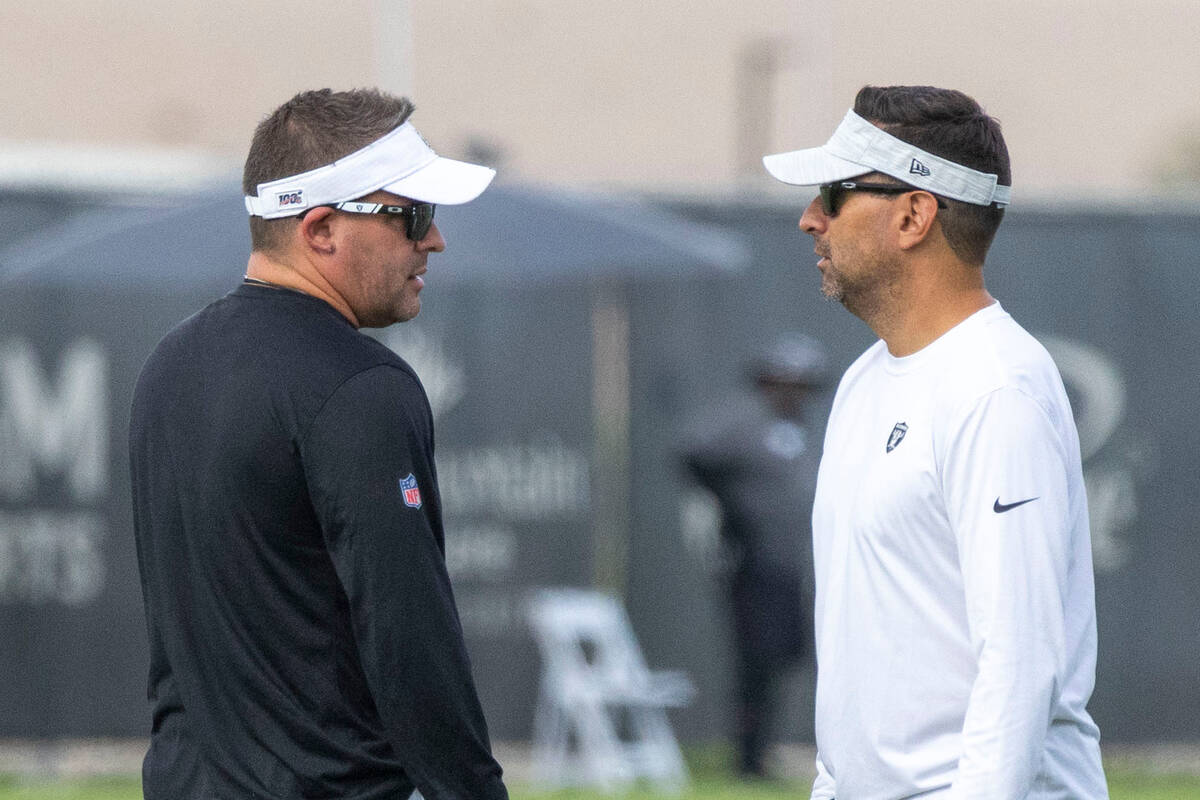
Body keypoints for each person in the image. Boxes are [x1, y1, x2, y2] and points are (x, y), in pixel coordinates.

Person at [129, 88, 508, 800]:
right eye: (412, 215)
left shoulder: (169, 362)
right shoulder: (360, 384)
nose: (434, 240)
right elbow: (408, 634)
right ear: (323, 228)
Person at [762, 85, 1108, 799]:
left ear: (915, 213)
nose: (809, 219)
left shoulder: (997, 391)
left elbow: (1019, 663)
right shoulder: (864, 380)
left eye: (834, 193)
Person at [680, 333, 827, 779]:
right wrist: (731, 505)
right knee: (756, 661)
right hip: (756, 565)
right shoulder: (741, 422)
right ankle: (748, 757)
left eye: (802, 384)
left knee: (784, 658)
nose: (794, 391)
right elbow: (692, 451)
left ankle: (766, 749)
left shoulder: (801, 428)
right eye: (785, 381)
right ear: (766, 381)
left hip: (794, 566)